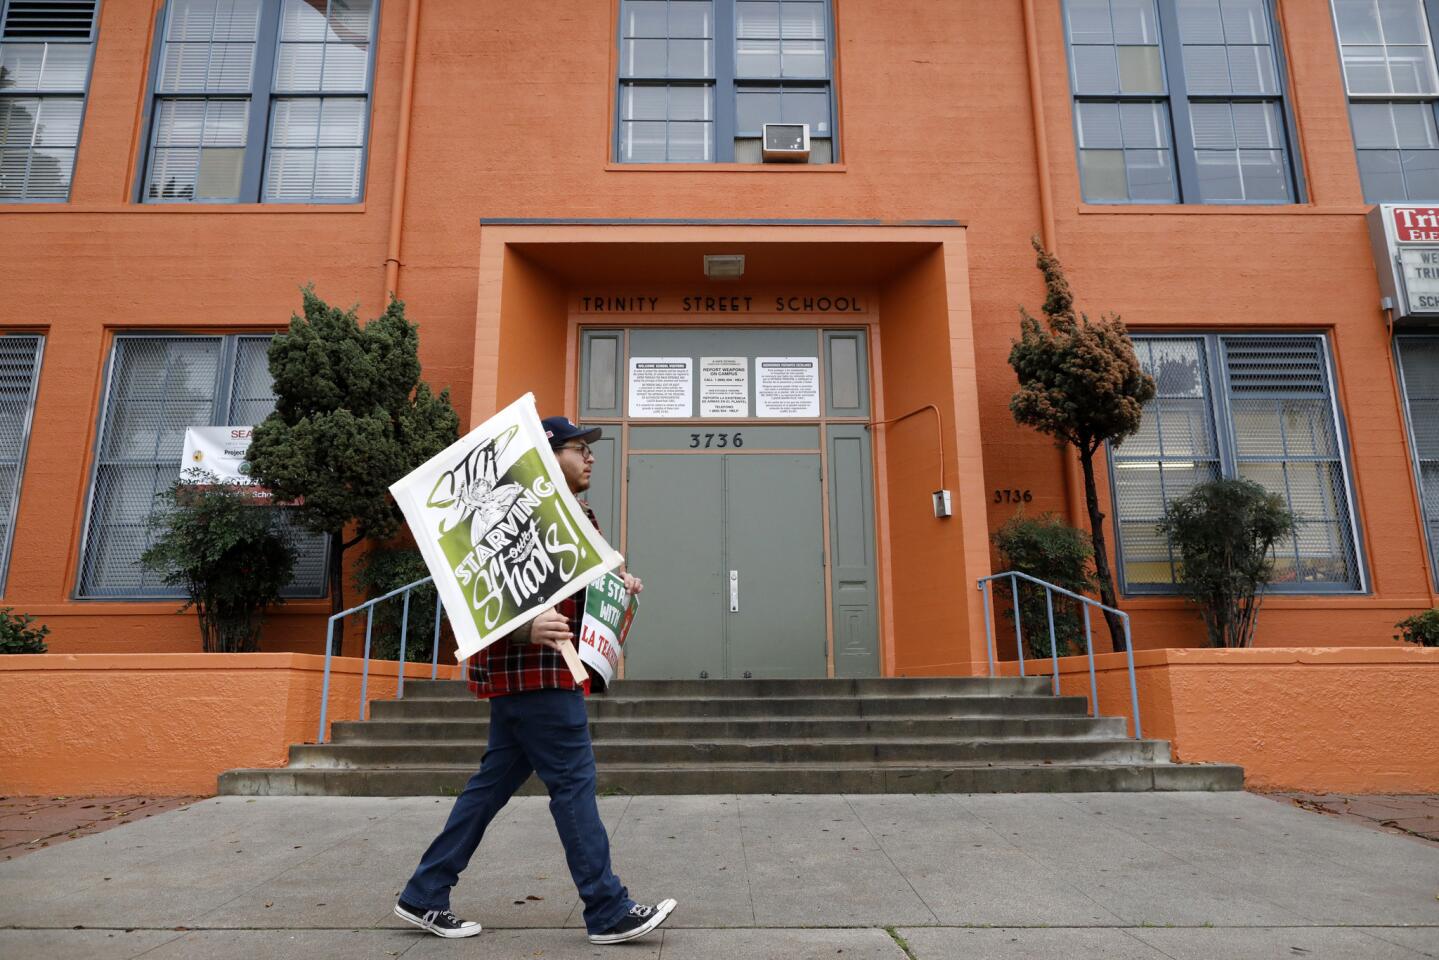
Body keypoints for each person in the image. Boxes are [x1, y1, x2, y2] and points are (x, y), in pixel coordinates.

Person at [394, 416, 676, 945]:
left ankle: (424, 893)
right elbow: (468, 589)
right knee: (573, 785)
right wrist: (525, 627)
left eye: (590, 450)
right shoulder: (504, 516)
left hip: (546, 673)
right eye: (577, 449)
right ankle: (607, 908)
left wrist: (619, 583)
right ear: (547, 456)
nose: (590, 457)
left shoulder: (576, 514)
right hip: (535, 672)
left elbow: (585, 580)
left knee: (489, 788)